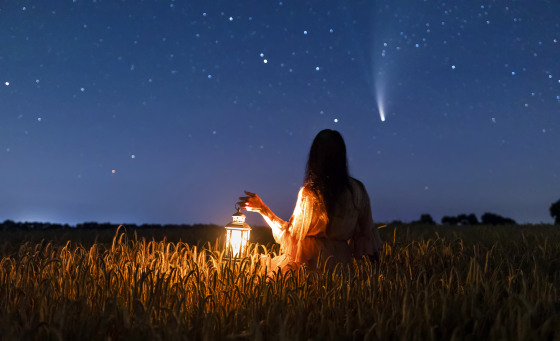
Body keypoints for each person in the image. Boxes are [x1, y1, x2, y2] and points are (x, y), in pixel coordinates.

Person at [238, 129, 383, 272]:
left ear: (315, 157)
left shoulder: (311, 193)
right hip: (342, 270)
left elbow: (292, 236)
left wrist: (264, 210)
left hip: (310, 268)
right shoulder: (358, 190)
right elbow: (367, 236)